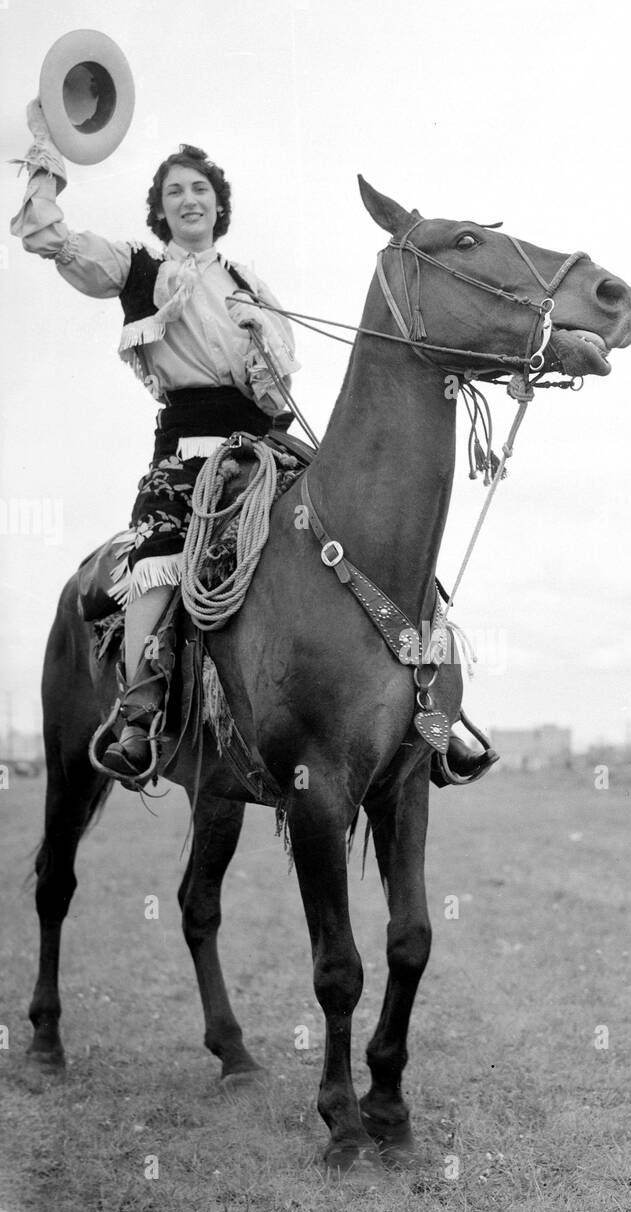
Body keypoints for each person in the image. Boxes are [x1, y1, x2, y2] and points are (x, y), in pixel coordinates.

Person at [11, 102, 497, 786]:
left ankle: (437, 714)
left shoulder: (248, 285)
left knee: (372, 539)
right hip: (189, 454)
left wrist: (262, 351)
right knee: (160, 557)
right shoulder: (135, 268)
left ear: (218, 206)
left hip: (266, 446)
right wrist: (44, 160)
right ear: (158, 208)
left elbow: (276, 391)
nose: (189, 199)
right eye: (174, 190)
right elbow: (49, 238)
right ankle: (140, 710)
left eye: (200, 189)